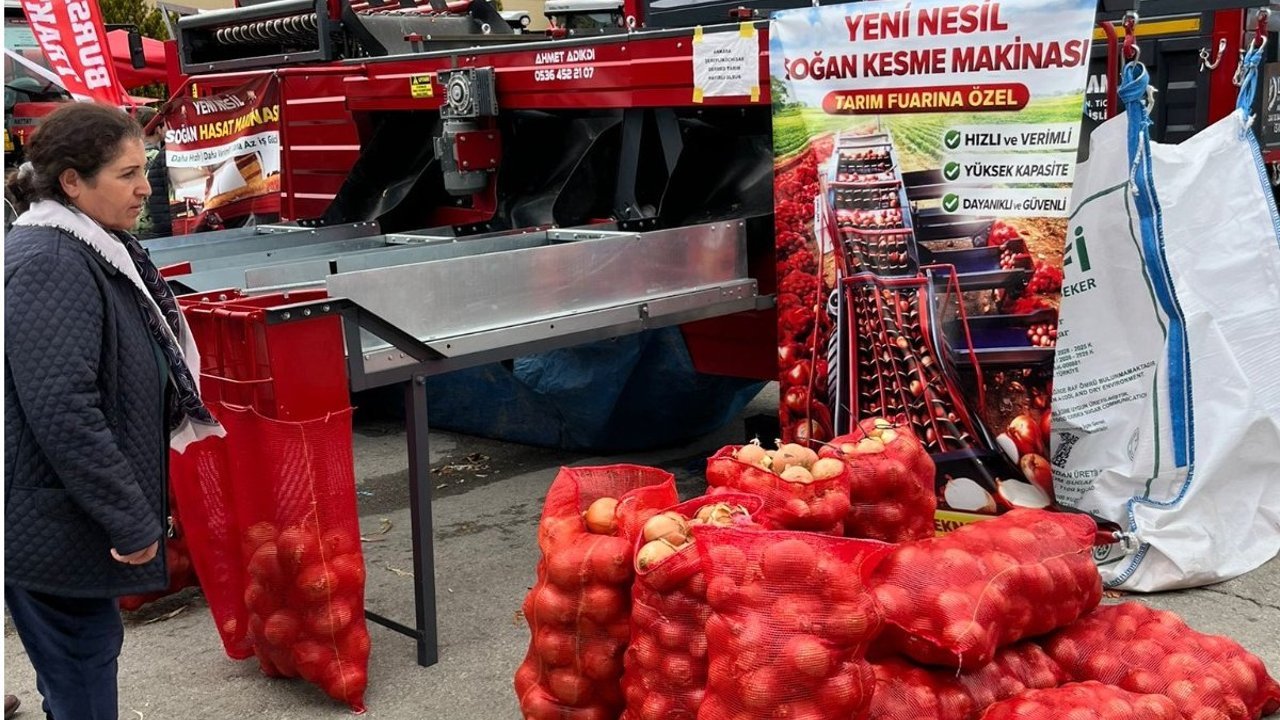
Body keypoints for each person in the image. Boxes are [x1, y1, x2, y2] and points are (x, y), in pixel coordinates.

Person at [4, 102, 224, 719]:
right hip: (53, 519)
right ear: (72, 182)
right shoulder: (52, 262)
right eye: (127, 174)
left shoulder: (90, 246)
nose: (145, 187)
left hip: (61, 514)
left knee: (80, 662)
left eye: (143, 170)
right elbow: (65, 410)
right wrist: (129, 519)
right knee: (82, 668)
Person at [133, 106, 172, 239]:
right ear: (158, 129)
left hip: (132, 226)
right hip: (152, 227)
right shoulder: (159, 157)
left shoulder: (128, 158)